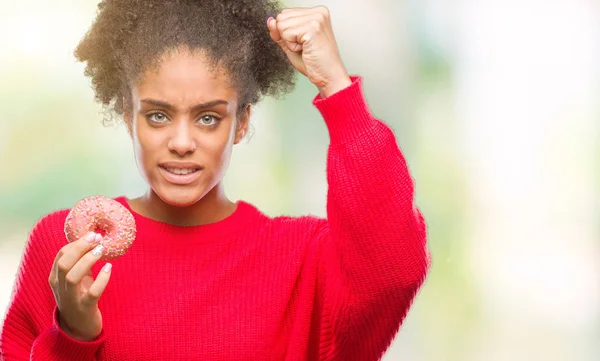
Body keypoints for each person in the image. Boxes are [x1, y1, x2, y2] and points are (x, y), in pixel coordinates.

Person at [0, 0, 430, 360]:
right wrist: (72, 335)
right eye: (158, 115)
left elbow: (394, 271)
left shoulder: (298, 258)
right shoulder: (68, 255)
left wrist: (336, 87)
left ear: (241, 123)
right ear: (127, 115)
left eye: (208, 117)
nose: (182, 142)